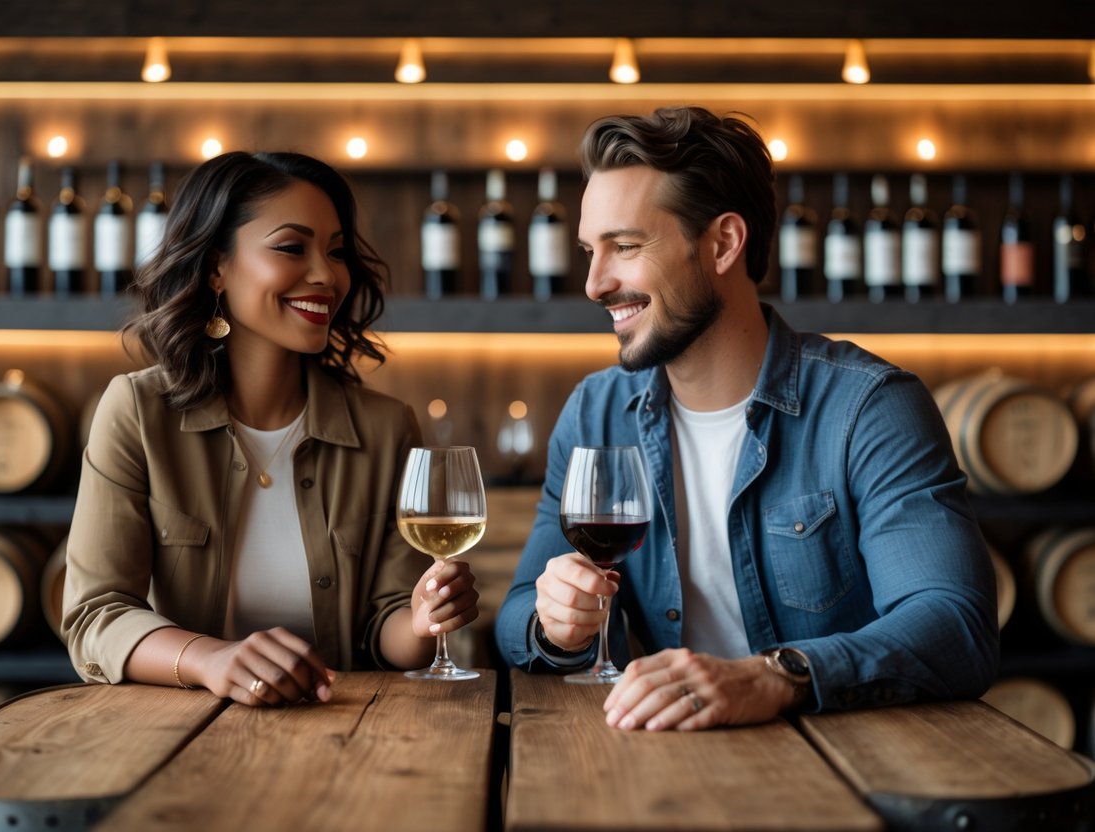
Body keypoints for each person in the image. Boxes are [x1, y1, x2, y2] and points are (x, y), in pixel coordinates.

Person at [494, 107, 998, 731]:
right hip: (661, 760)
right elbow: (515, 615)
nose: (595, 282)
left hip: (847, 767)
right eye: (588, 251)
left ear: (724, 243)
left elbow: (955, 623)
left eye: (624, 246)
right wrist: (554, 623)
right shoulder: (595, 413)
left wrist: (774, 675)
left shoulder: (870, 407)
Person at [62, 151, 479, 707]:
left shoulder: (386, 427)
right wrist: (210, 659)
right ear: (216, 266)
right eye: (291, 247)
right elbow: (95, 616)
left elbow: (389, 631)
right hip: (175, 736)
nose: (326, 275)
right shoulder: (138, 411)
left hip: (349, 731)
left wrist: (424, 623)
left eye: (336, 252)